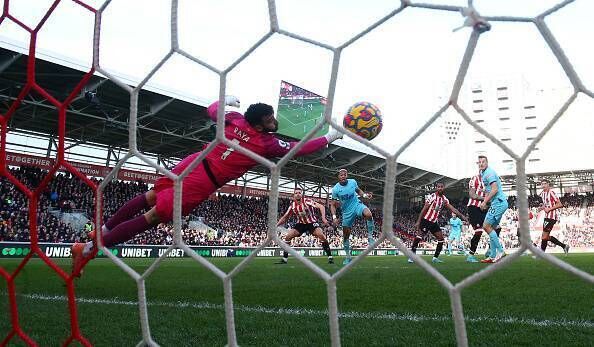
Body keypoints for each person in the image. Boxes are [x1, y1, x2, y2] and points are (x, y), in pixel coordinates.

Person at [71, 96, 343, 276]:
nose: (275, 122)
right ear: (261, 122)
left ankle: (100, 231)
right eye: (271, 118)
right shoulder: (265, 143)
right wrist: (329, 137)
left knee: (149, 196)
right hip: (203, 181)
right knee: (152, 216)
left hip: (193, 162)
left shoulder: (234, 119)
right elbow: (300, 148)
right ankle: (88, 250)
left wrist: (226, 100)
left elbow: (213, 110)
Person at [408, 182, 468, 264]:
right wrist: (418, 221)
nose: (440, 188)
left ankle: (435, 258)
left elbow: (452, 208)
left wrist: (461, 215)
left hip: (434, 222)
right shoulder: (432, 196)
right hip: (426, 220)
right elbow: (424, 209)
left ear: (444, 188)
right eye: (438, 187)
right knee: (419, 235)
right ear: (436, 188)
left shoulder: (444, 199)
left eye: (441, 187)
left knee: (441, 239)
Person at [275, 188, 333, 264]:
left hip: (311, 222)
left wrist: (323, 218)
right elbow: (285, 217)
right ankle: (284, 259)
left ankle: (330, 257)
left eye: (299, 193)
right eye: (296, 193)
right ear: (294, 195)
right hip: (301, 224)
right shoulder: (292, 206)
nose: (298, 194)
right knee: (288, 236)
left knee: (321, 235)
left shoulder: (307, 201)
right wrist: (276, 225)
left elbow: (321, 206)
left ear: (302, 194)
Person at [329, 169, 374, 265]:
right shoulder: (336, 189)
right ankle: (348, 257)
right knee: (346, 235)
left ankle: (370, 237)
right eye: (341, 175)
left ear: (347, 175)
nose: (343, 176)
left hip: (357, 205)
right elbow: (332, 204)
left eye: (345, 174)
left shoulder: (353, 182)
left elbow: (358, 191)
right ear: (338, 177)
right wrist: (334, 217)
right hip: (346, 212)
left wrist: (365, 195)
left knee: (369, 214)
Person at [477, 155, 507, 263]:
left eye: (483, 161)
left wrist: (485, 201)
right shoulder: (482, 173)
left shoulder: (489, 173)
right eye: (479, 162)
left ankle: (500, 251)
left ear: (487, 162)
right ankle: (492, 255)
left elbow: (494, 189)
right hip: (497, 202)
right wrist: (485, 196)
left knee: (486, 226)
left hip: (498, 203)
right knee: (491, 227)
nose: (481, 163)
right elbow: (490, 190)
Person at [538, 179, 569, 255]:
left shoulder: (551, 193)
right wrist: (542, 208)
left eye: (545, 183)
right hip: (546, 216)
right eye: (542, 184)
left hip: (552, 217)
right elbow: (546, 204)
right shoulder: (542, 194)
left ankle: (541, 254)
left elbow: (560, 204)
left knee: (544, 236)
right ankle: (564, 246)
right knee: (545, 237)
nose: (543, 185)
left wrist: (549, 209)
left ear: (548, 184)